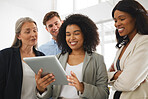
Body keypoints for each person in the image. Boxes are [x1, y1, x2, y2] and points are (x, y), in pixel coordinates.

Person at [35, 14, 109, 99]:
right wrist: (41, 89)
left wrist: (82, 87)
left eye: (76, 33)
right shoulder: (58, 59)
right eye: (68, 34)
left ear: (85, 34)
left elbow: (104, 94)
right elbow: (50, 92)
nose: (71, 38)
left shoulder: (97, 59)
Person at [108, 0, 148, 99]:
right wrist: (116, 75)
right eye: (115, 20)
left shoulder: (145, 42)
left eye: (121, 19)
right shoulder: (122, 46)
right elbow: (103, 76)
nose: (116, 24)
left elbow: (127, 83)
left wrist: (111, 78)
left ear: (135, 18)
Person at [0, 17, 45, 99]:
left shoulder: (42, 57)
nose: (33, 34)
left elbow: (45, 90)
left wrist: (42, 89)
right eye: (28, 32)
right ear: (18, 36)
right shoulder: (5, 56)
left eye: (35, 30)